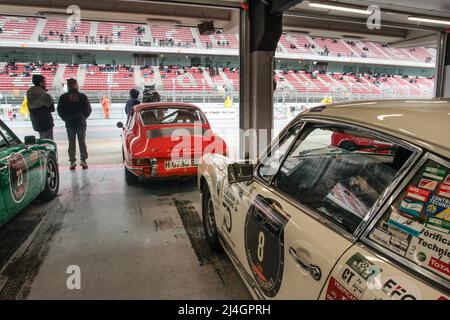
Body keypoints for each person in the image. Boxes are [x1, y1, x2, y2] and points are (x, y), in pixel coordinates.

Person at [57, 79, 92, 170]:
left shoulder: (63, 97)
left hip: (69, 123)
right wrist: (83, 117)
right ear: (76, 85)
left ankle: (72, 162)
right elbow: (88, 109)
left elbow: (60, 110)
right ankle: (83, 161)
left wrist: (65, 119)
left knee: (71, 143)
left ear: (68, 86)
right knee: (82, 142)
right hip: (81, 123)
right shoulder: (82, 96)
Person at [26, 74, 55, 139]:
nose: (46, 83)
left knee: (41, 139)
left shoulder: (29, 92)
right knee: (48, 142)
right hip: (46, 122)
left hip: (35, 121)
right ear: (40, 83)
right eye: (44, 82)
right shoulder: (44, 94)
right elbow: (52, 108)